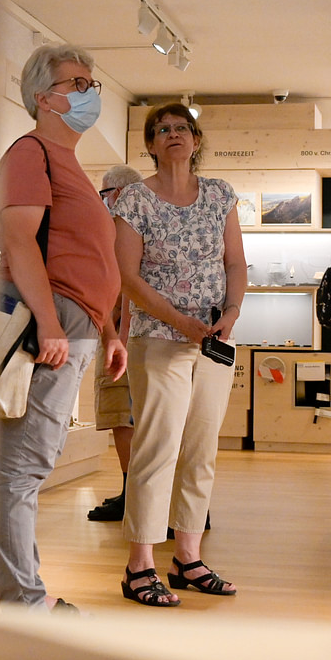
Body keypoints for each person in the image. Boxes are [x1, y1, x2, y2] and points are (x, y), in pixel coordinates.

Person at [0, 44, 127, 613]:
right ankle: (24, 602)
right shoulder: (31, 153)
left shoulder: (69, 164)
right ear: (43, 98)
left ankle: (26, 596)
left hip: (77, 323)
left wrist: (110, 331)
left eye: (93, 84)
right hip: (53, 322)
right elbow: (19, 240)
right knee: (21, 467)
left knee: (27, 464)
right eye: (78, 84)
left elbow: (90, 257)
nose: (91, 93)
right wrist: (50, 323)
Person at [110, 102, 246, 607]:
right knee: (157, 448)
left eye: (182, 128)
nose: (173, 134)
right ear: (150, 144)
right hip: (158, 340)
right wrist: (178, 321)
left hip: (213, 341)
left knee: (201, 447)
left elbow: (236, 263)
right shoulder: (134, 199)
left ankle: (188, 558)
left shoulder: (220, 195)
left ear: (196, 139)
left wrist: (231, 312)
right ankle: (139, 566)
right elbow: (127, 277)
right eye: (162, 129)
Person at [86, 163, 143, 522]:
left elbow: (125, 285)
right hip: (129, 333)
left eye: (104, 193)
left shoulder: (123, 227)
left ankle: (133, 497)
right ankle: (133, 493)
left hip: (124, 335)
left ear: (117, 193)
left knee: (124, 415)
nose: (102, 200)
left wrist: (118, 335)